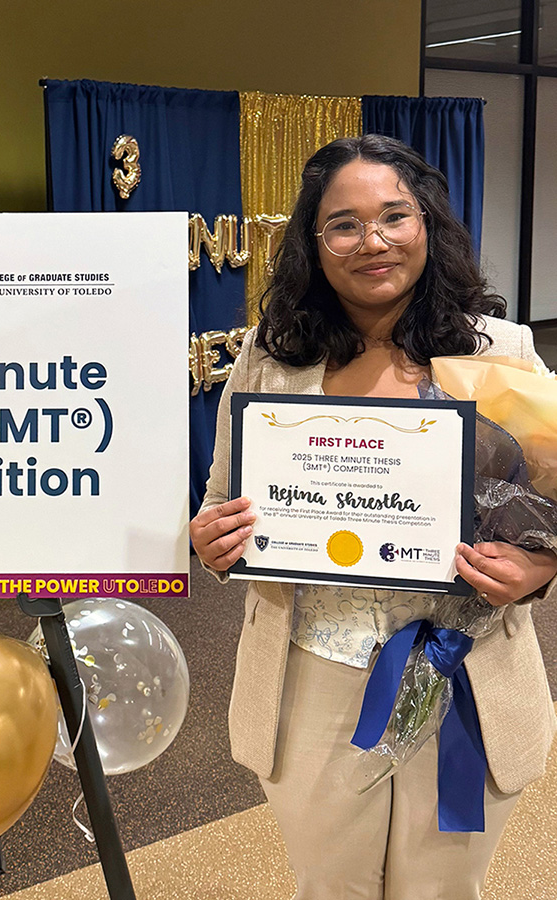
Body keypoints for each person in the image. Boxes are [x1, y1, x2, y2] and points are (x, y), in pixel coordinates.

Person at [190, 134, 557, 900]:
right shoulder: (271, 356)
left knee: (444, 891)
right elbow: (219, 503)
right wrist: (213, 542)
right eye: (344, 225)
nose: (373, 241)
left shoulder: (502, 353)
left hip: (466, 669)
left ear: (426, 222)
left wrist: (539, 565)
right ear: (314, 243)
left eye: (394, 216)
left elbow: (553, 508)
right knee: (332, 889)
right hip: (311, 677)